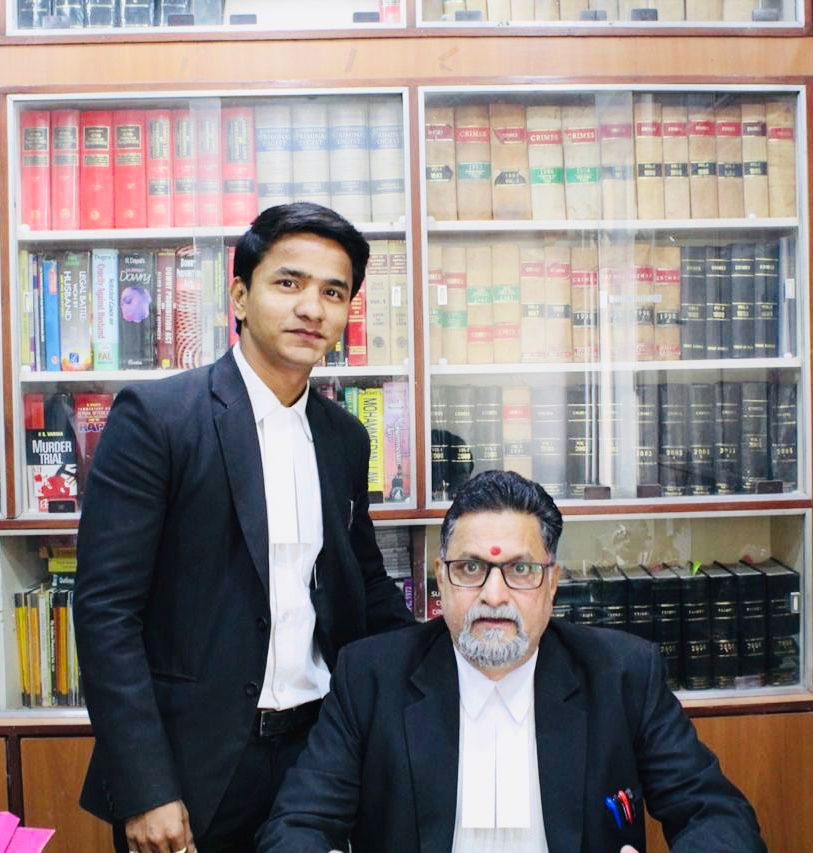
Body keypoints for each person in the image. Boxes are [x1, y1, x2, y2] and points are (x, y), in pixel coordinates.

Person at [73, 202, 414, 853]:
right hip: (192, 764)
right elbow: (105, 613)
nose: (311, 308)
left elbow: (364, 585)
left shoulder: (344, 437)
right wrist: (145, 787)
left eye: (333, 292)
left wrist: (450, 656)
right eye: (288, 282)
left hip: (317, 754)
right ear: (239, 296)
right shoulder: (159, 419)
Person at [258, 469, 767, 853]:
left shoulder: (622, 675)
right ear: (440, 579)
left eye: (521, 570)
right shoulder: (372, 678)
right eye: (470, 568)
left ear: (553, 583)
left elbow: (718, 815)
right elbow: (295, 825)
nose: (494, 595)